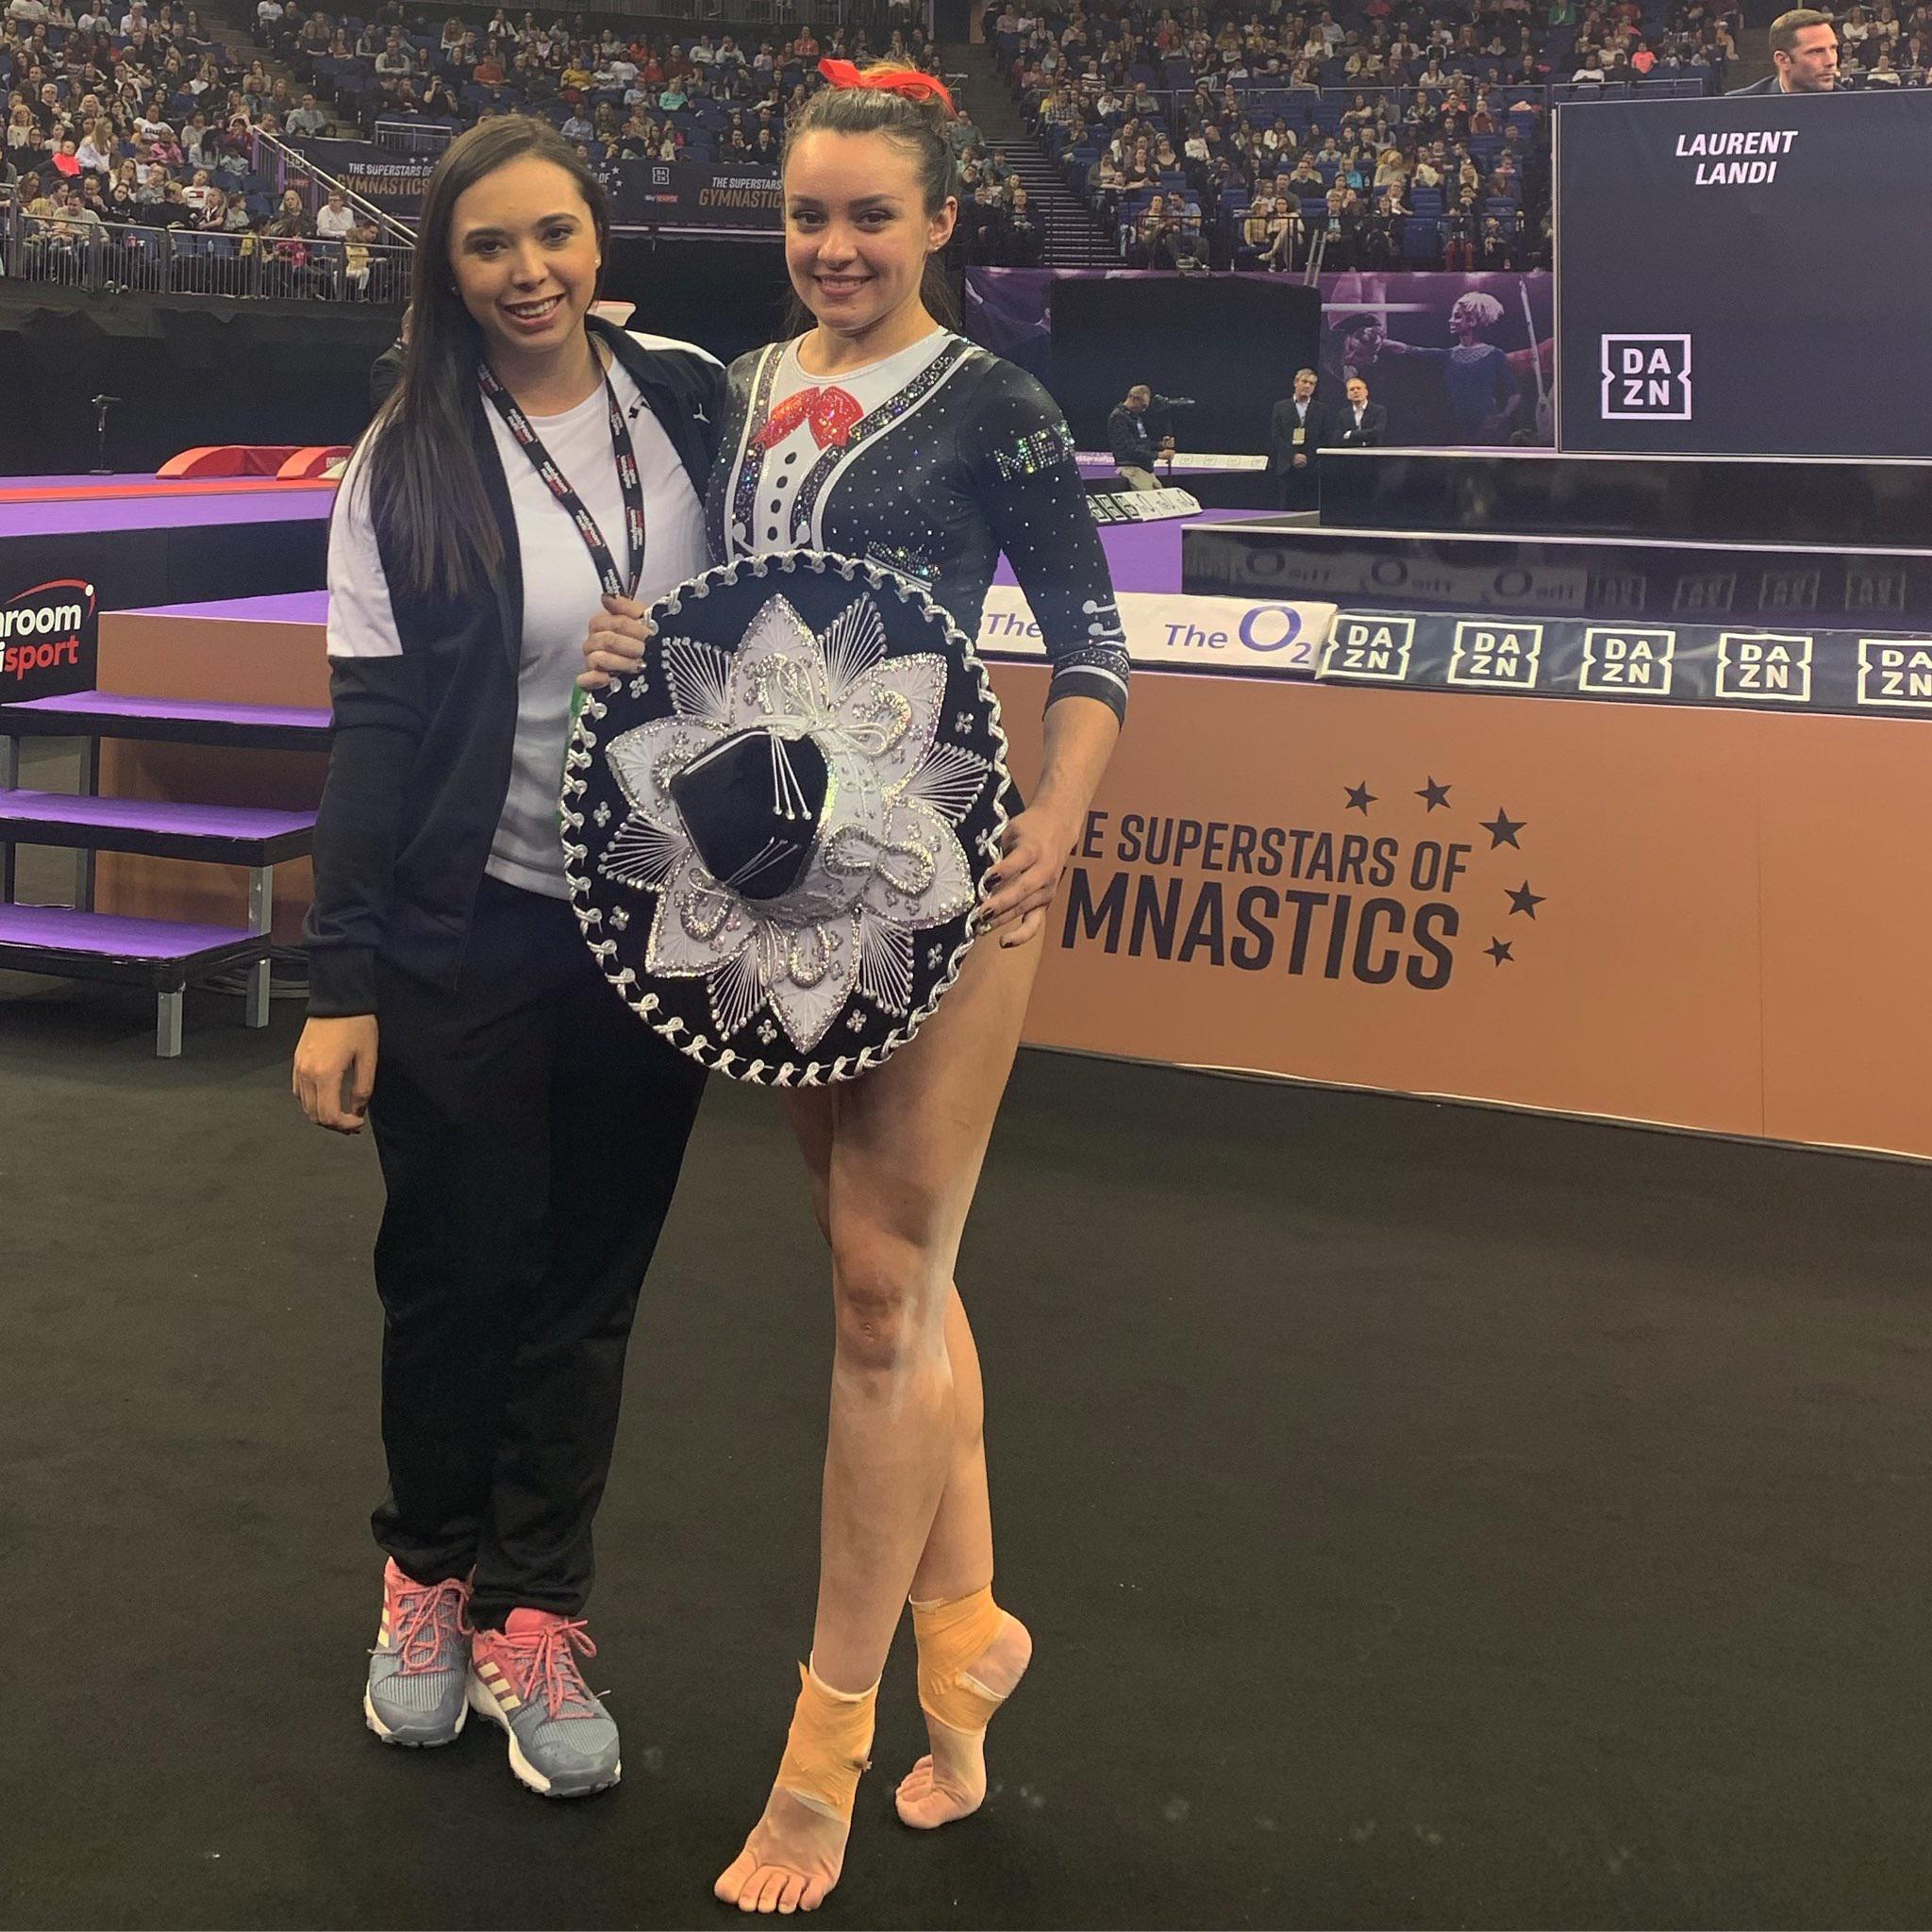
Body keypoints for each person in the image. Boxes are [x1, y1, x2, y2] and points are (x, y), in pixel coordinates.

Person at [581, 57, 1128, 1917]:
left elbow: (1092, 642)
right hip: (774, 882)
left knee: (884, 1292)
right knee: (888, 1270)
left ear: (938, 221)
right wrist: (638, 638)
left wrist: (1059, 810)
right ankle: (965, 1645)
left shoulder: (996, 403)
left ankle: (821, 1752)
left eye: (868, 216)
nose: (832, 245)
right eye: (807, 214)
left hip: (946, 875)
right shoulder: (740, 390)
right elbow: (713, 612)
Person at [291, 115, 724, 1800]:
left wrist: (671, 648)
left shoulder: (691, 405)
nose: (528, 271)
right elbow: (371, 736)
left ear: (599, 244)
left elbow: (775, 622)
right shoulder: (402, 459)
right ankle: (426, 1579)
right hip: (463, 925)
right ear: (447, 269)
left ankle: (534, 1611)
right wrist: (339, 980)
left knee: (586, 1287)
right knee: (456, 1270)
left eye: (554, 234)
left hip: (654, 927)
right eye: (489, 244)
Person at [1729, 7, 1839, 89]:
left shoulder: (1848, 104)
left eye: (1833, 49)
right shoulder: (1739, 107)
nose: (1831, 61)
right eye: (1816, 52)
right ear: (1783, 60)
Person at [1269, 364, 1326, 508]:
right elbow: (1276, 436)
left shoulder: (1321, 409)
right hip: (1287, 467)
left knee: (1310, 510)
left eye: (1312, 384)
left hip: (1311, 467)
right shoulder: (1280, 407)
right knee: (1287, 509)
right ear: (1296, 382)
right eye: (1304, 382)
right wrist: (1293, 456)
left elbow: (1324, 437)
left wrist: (1307, 457)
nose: (1307, 386)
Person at [1108, 380, 1166, 488]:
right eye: (1143, 406)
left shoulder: (1135, 417)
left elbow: (1143, 442)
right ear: (1134, 398)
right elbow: (1129, 448)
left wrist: (1160, 445)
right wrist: (1158, 455)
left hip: (1145, 468)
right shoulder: (1118, 417)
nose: (1144, 410)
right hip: (1132, 468)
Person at [1333, 374, 1388, 446]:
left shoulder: (1378, 411)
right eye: (1352, 389)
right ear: (1348, 395)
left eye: (1359, 388)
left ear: (1366, 392)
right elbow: (1337, 438)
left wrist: (1351, 434)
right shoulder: (1343, 414)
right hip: (1351, 452)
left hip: (1373, 451)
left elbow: (1377, 432)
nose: (1356, 391)